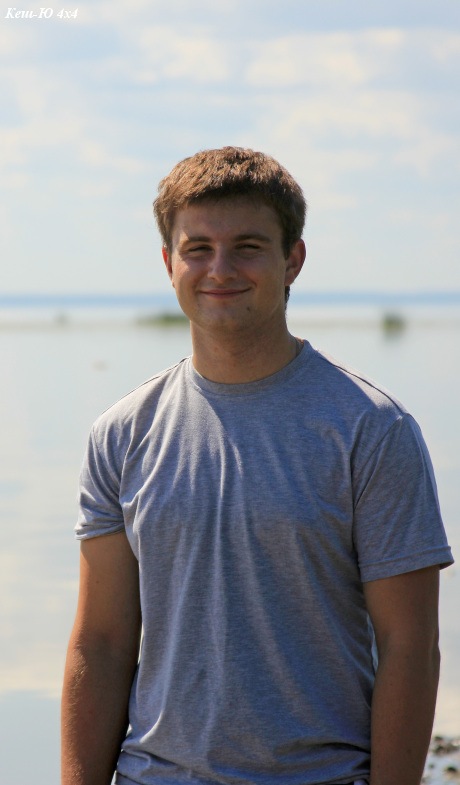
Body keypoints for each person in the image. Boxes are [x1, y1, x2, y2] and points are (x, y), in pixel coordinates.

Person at [61, 146, 453, 785]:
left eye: (247, 247)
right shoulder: (121, 434)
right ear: (168, 263)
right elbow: (101, 644)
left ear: (292, 259)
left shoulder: (373, 430)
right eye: (197, 249)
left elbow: (409, 649)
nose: (219, 269)